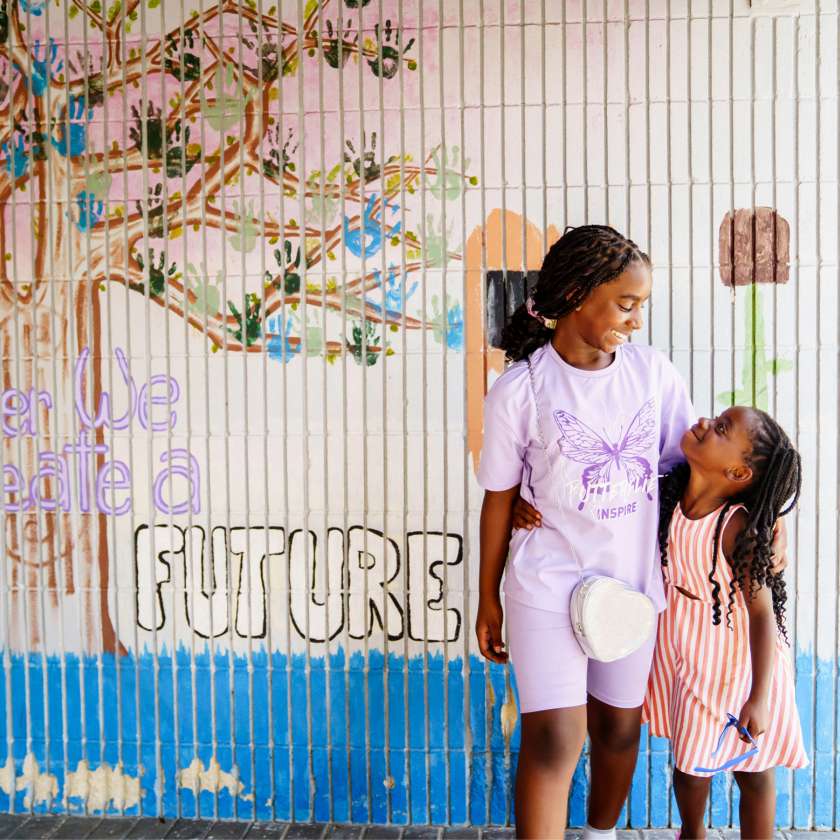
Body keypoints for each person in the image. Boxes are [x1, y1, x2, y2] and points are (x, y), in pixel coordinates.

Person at [476, 224, 788, 839]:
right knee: (553, 736)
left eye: (641, 305)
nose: (637, 321)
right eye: (626, 304)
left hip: (633, 585)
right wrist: (487, 598)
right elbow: (496, 498)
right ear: (574, 294)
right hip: (545, 584)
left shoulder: (652, 374)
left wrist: (766, 522)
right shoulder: (520, 388)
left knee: (618, 728)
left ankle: (600, 836)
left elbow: (697, 469)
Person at [644, 407, 806, 839]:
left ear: (737, 472)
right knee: (689, 762)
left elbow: (761, 613)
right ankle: (692, 832)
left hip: (740, 662)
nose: (702, 423)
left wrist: (758, 696)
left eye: (720, 429)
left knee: (753, 767)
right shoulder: (671, 498)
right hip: (691, 654)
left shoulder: (735, 528)